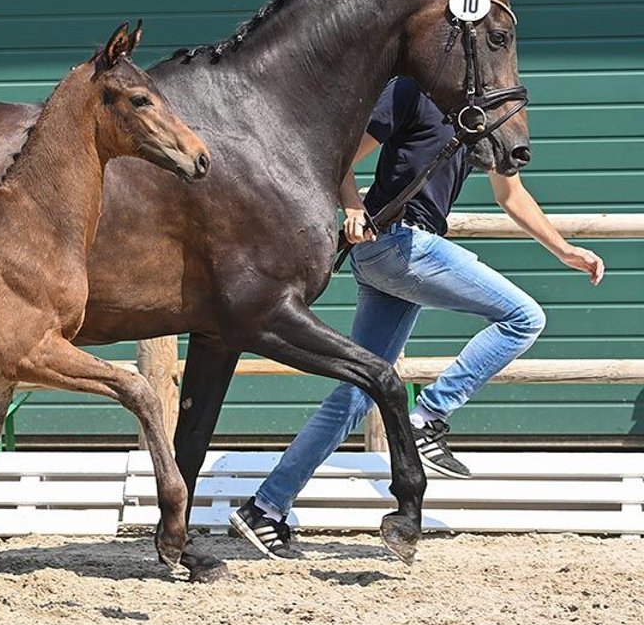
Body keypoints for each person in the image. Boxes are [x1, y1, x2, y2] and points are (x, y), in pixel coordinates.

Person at [231, 76, 606, 559]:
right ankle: (427, 415)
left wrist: (564, 250)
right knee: (522, 316)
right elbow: (341, 156)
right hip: (398, 244)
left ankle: (265, 508)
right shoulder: (411, 93)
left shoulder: (480, 115)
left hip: (396, 255)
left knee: (355, 393)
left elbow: (510, 196)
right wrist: (350, 205)